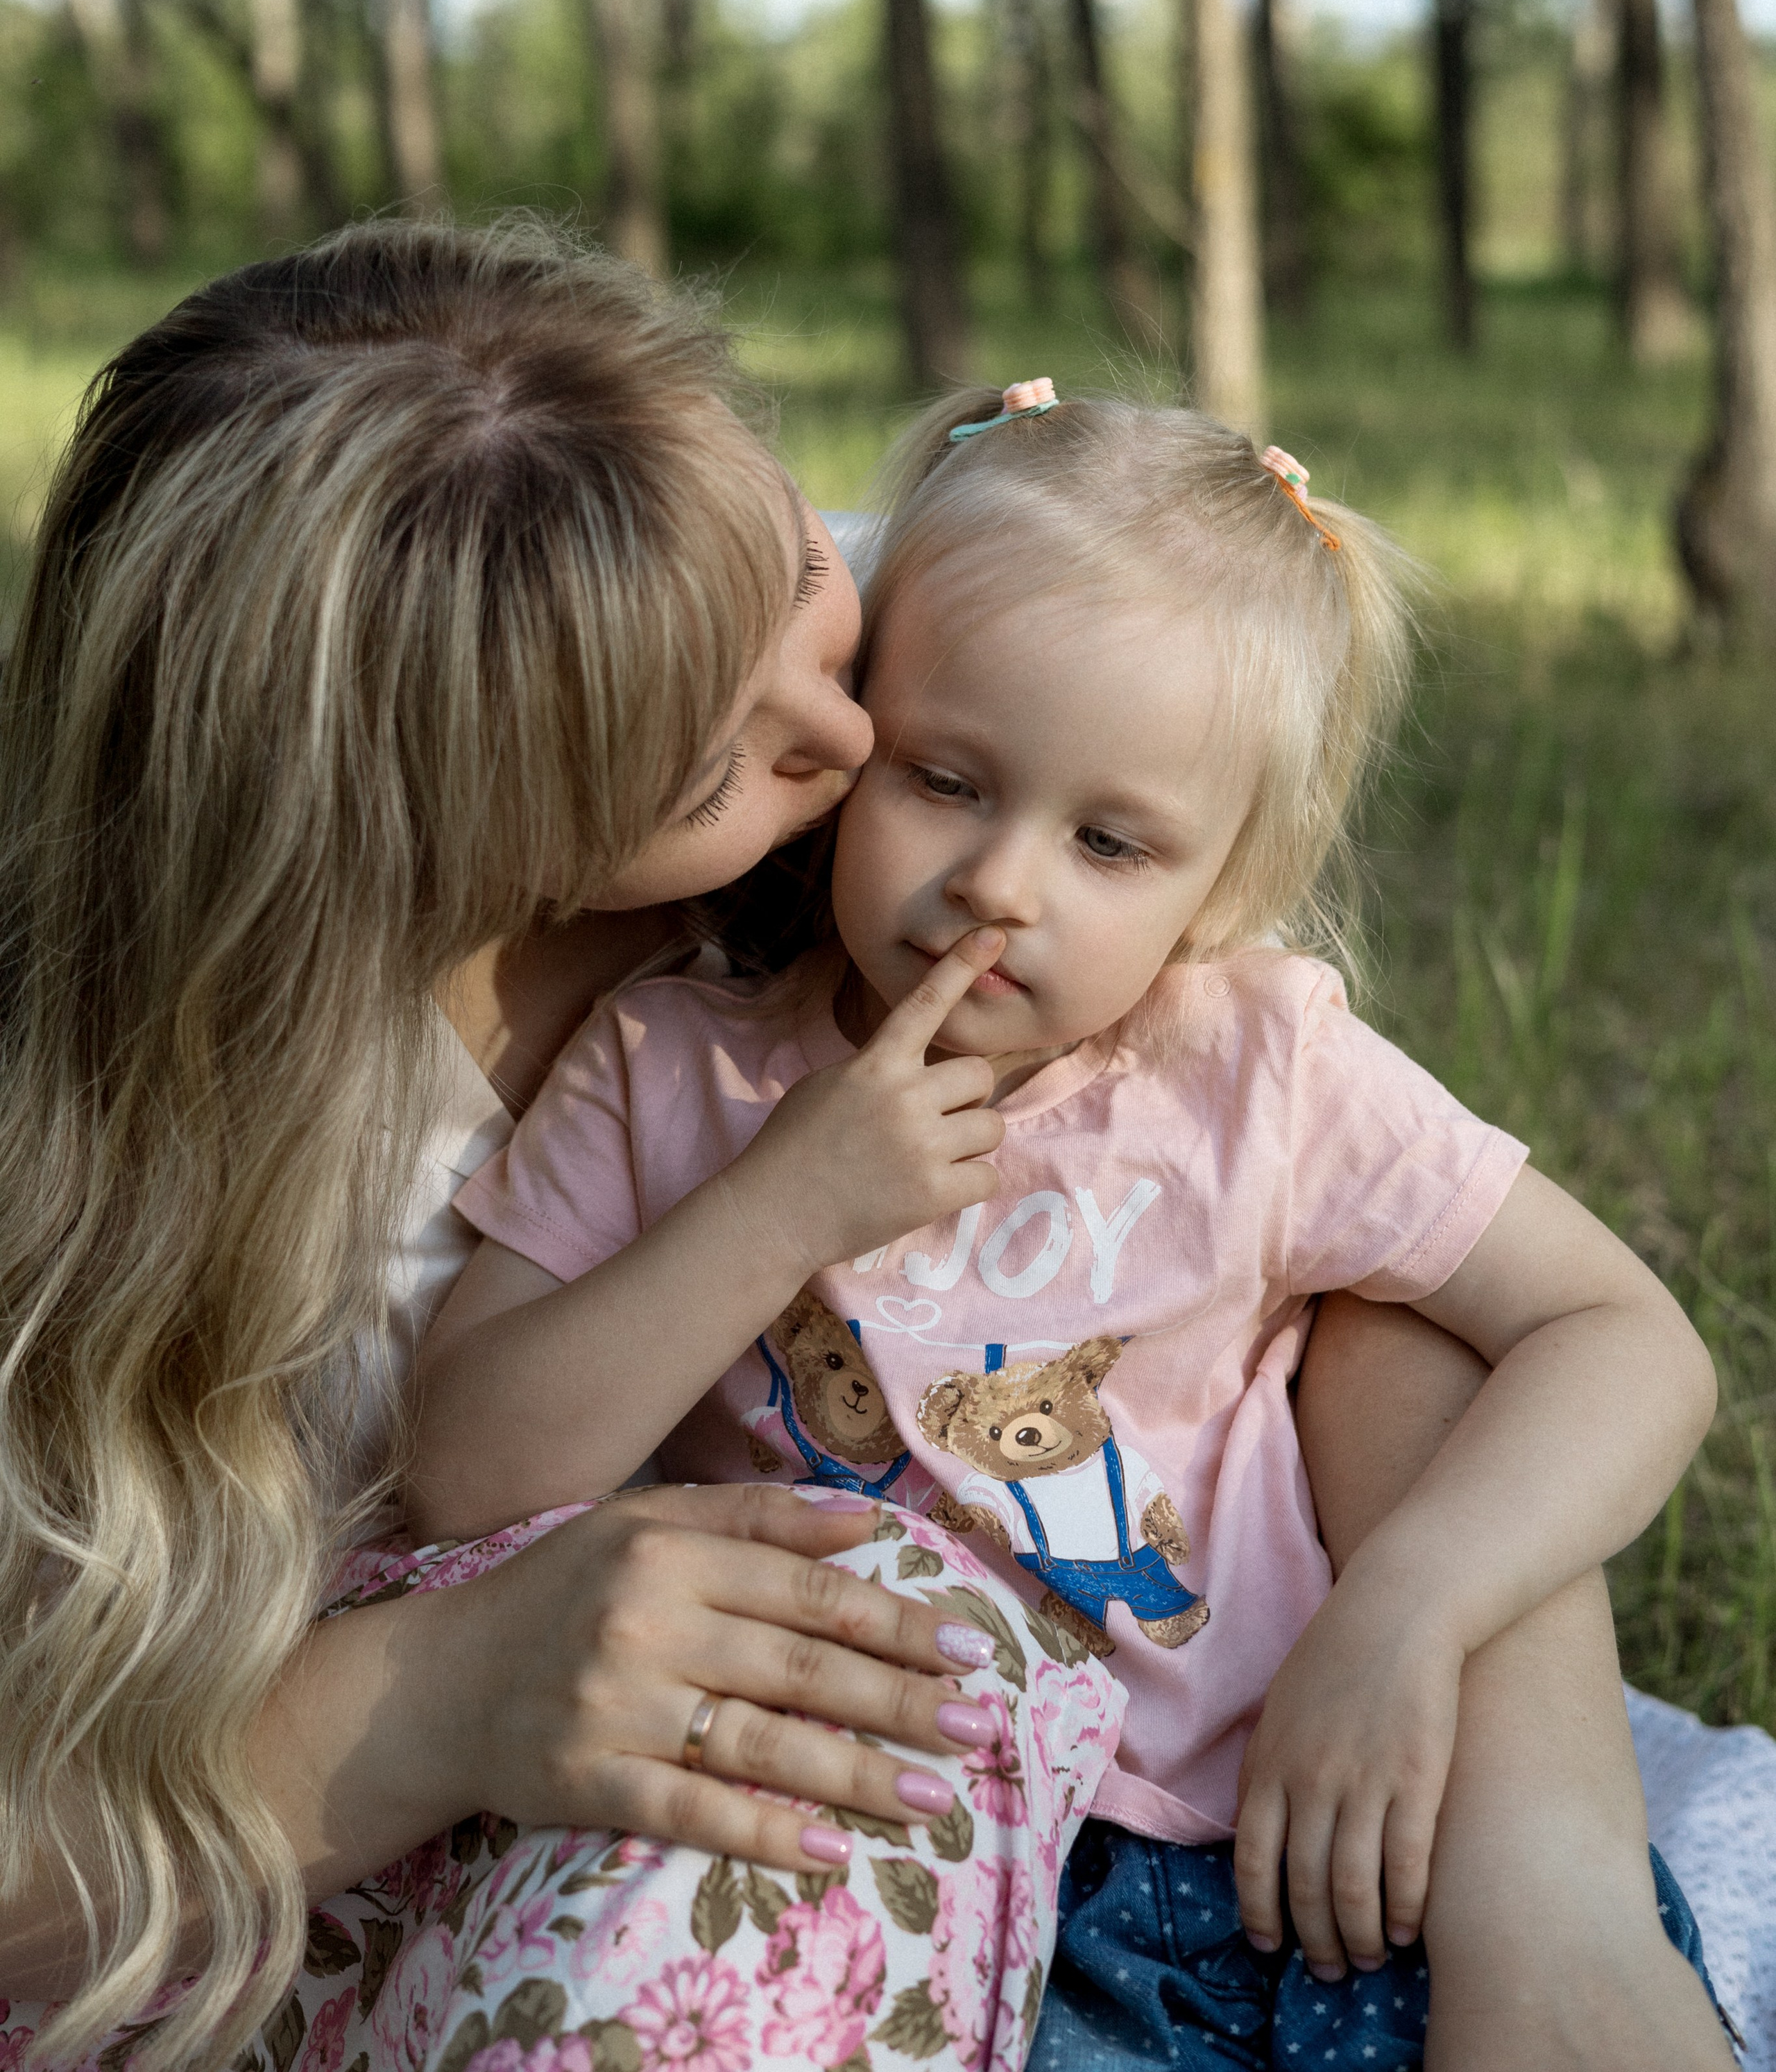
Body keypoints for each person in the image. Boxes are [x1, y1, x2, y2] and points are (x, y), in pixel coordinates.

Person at [417, 381, 1737, 2071]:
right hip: (928, 1883)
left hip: (1305, 1844)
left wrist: (1403, 1608)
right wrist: (781, 1206)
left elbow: (1627, 1343)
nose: (1000, 884)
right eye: (946, 780)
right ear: (850, 738)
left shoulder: (1252, 1065)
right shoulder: (678, 1067)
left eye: (1109, 840)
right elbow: (468, 1465)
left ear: (1223, 882)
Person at [0, 237, 1125, 2072]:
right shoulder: (166, 1159)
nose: (855, 743)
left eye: (802, 571)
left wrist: (1544, 1854)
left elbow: (1346, 1212)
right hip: (266, 1867)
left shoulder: (849, 659)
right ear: (415, 841)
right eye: (708, 785)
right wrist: (432, 1695)